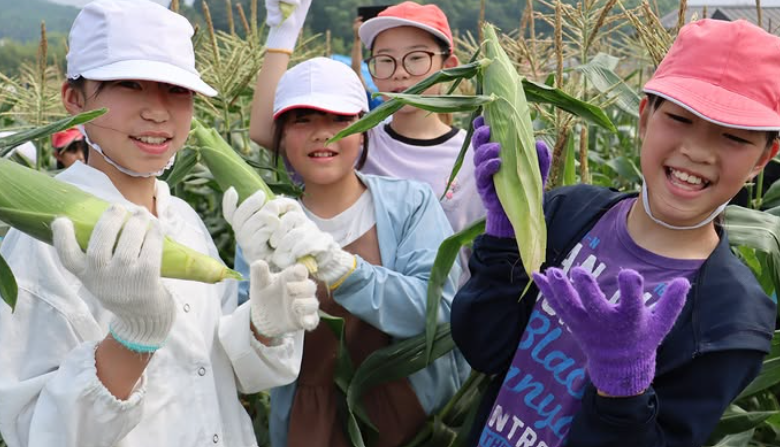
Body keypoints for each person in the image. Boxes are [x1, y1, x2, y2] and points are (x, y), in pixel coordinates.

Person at [0, 1, 319, 446]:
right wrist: (131, 341)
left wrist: (262, 327)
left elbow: (220, 370)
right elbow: (38, 432)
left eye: (177, 90)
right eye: (129, 85)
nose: (157, 111)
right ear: (73, 98)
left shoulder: (183, 218)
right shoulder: (43, 243)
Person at [451, 19, 779, 447]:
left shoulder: (730, 317)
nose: (697, 151)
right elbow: (485, 348)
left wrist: (623, 386)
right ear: (645, 118)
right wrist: (506, 233)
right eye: (680, 119)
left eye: (733, 137)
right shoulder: (569, 214)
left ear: (763, 158)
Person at [234, 18, 468, 443]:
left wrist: (345, 271)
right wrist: (260, 324)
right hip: (312, 424)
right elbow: (244, 354)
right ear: (281, 138)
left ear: (363, 131)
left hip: (416, 420)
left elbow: (438, 313)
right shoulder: (267, 225)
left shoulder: (410, 204)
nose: (322, 133)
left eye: (339, 119)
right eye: (302, 120)